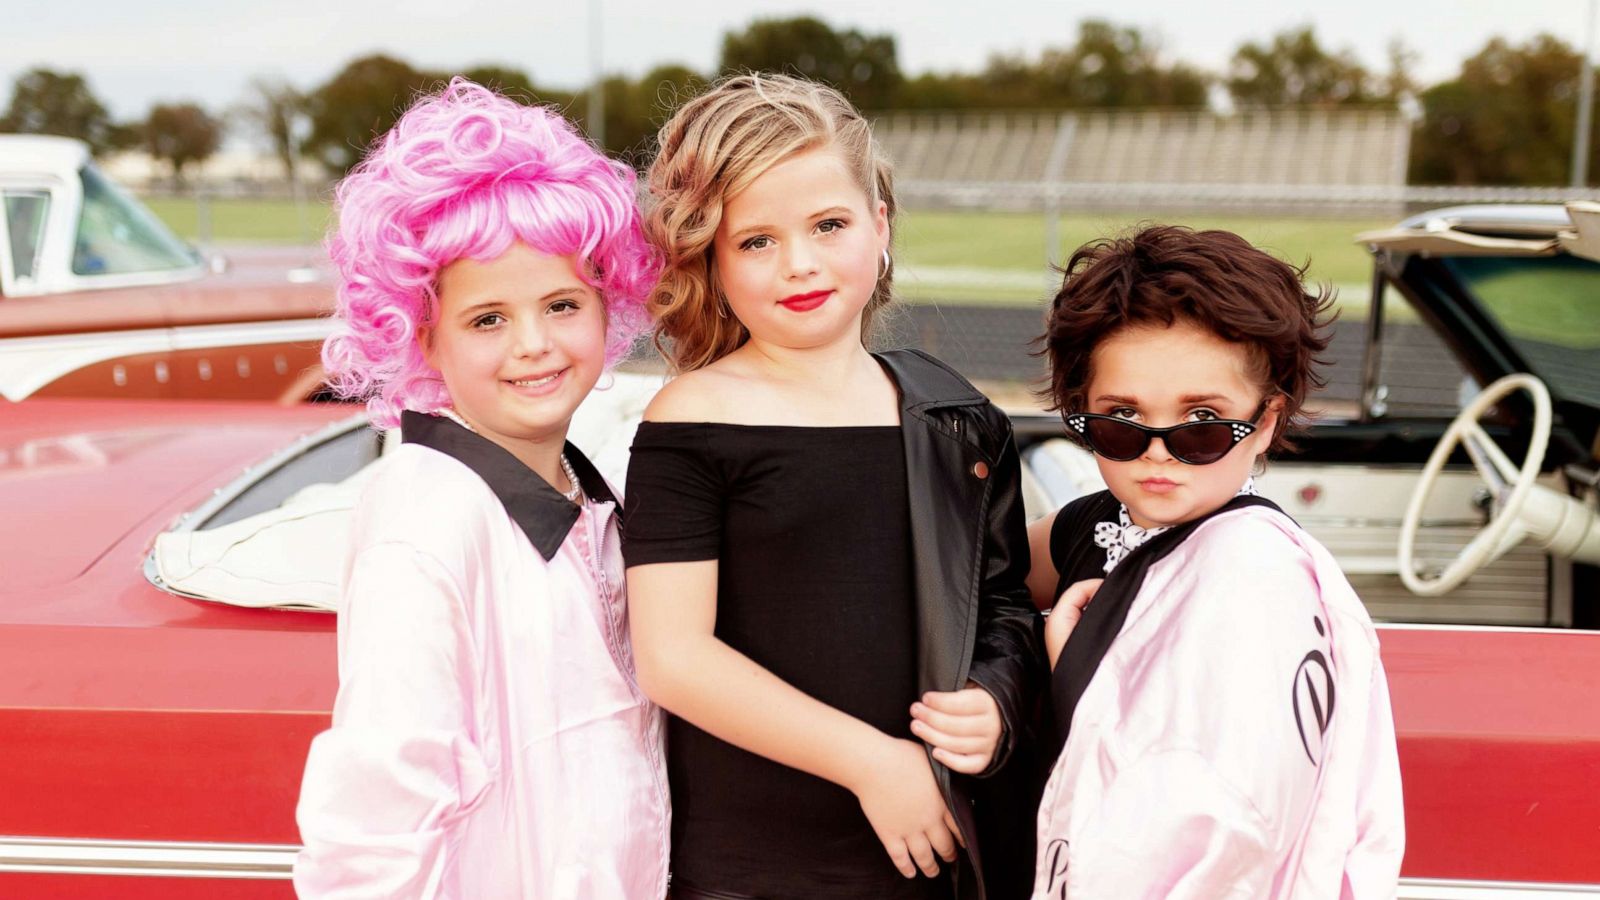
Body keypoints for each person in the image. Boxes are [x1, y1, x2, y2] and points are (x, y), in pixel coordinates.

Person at [622, 73, 1044, 900]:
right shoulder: (693, 419)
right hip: (753, 868)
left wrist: (996, 701)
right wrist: (870, 762)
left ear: (880, 226)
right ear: (710, 256)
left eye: (828, 224)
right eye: (756, 241)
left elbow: (999, 605)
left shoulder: (953, 416)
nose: (800, 264)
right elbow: (674, 658)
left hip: (932, 860)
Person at [292, 79, 669, 898]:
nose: (534, 345)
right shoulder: (425, 523)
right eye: (488, 318)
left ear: (610, 304)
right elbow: (373, 828)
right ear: (420, 330)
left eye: (563, 304)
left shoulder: (593, 494)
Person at [1025, 225, 1405, 898]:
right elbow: (973, 584)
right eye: (1120, 420)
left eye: (1201, 421)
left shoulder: (1255, 581)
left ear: (1264, 421)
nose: (1158, 453)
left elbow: (1214, 823)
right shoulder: (1095, 522)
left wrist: (1072, 665)